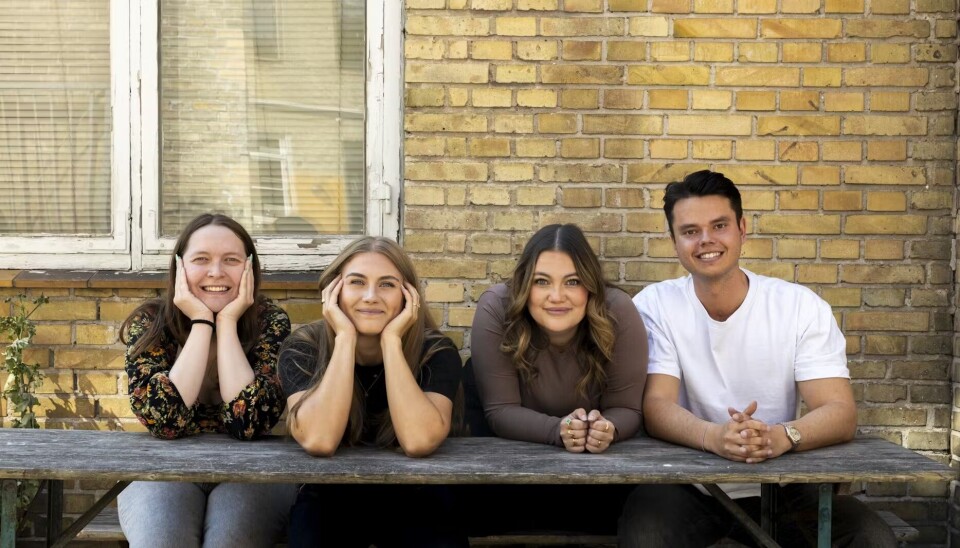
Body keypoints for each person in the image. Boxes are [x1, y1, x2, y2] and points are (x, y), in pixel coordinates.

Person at [618, 170, 896, 547]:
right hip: (689, 483)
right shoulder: (655, 305)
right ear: (674, 241)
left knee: (871, 538)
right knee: (645, 534)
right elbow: (656, 405)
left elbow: (839, 410)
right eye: (690, 231)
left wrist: (782, 436)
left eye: (719, 225)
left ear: (742, 229)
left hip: (783, 481)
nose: (706, 241)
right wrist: (714, 436)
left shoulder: (799, 306)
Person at [117, 213, 296, 548]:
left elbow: (250, 424)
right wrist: (202, 321)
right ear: (180, 268)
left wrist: (227, 321)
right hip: (164, 473)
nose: (216, 272)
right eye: (202, 260)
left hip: (254, 475)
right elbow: (164, 420)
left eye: (231, 260)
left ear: (249, 268)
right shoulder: (152, 322)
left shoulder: (269, 322)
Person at [278, 236, 466, 547]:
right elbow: (319, 440)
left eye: (387, 285)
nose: (370, 296)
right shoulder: (303, 348)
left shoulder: (436, 352)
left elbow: (419, 442)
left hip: (418, 495)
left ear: (408, 295)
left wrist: (392, 341)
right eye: (356, 282)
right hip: (329, 495)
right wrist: (345, 339)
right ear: (333, 291)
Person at [466, 223, 648, 535]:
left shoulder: (617, 310)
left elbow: (628, 409)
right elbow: (500, 411)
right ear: (525, 285)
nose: (556, 296)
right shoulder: (497, 307)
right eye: (542, 282)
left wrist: (607, 429)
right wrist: (560, 429)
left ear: (590, 285)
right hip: (508, 474)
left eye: (572, 281)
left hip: (596, 479)